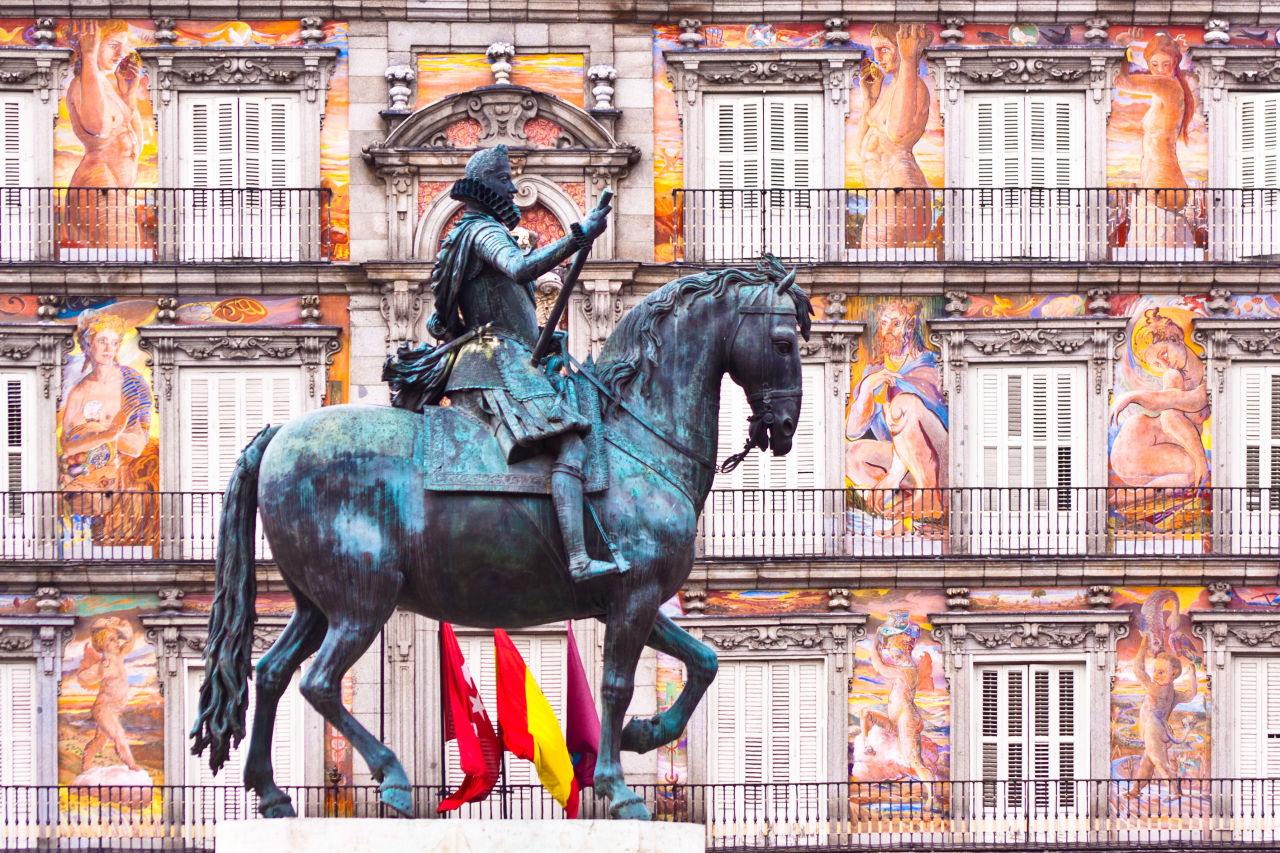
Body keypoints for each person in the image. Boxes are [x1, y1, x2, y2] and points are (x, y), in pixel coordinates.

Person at [385, 145, 618, 582]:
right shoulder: (482, 232)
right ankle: (579, 559)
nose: (513, 188)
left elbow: (452, 315)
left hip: (498, 357)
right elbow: (521, 267)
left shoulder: (464, 235)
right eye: (506, 180)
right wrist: (578, 235)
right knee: (570, 443)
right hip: (497, 362)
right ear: (490, 187)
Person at [845, 301, 948, 520]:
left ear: (910, 327)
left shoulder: (930, 364)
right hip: (904, 464)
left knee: (903, 404)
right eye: (883, 324)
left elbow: (919, 428)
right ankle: (897, 511)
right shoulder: (874, 370)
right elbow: (853, 430)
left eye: (895, 324)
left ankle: (930, 497)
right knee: (850, 455)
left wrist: (893, 474)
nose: (888, 331)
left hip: (941, 462)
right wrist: (867, 389)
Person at [64, 20, 146, 250]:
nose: (121, 53)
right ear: (93, 43)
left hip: (113, 189)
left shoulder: (107, 85)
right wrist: (89, 57)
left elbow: (137, 145)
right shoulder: (83, 83)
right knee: (123, 258)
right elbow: (98, 128)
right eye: (113, 45)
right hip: (98, 185)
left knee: (127, 257)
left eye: (123, 45)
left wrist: (128, 94)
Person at [852, 23, 934, 250]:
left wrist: (908, 61)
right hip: (886, 191)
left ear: (902, 47)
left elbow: (898, 133)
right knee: (871, 263)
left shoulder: (914, 86)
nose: (877, 58)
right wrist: (869, 99)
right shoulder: (891, 90)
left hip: (901, 189)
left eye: (884, 49)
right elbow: (864, 149)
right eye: (875, 50)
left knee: (878, 266)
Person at [1114, 30, 1197, 249]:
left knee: (1153, 260)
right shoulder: (1166, 89)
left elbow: (1122, 81)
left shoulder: (1168, 86)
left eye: (1166, 64)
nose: (1160, 70)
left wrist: (1122, 48)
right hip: (1162, 181)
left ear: (1175, 64)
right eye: (1155, 64)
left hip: (1163, 181)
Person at [1110, 309, 1208, 495]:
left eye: (1163, 355)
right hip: (1137, 443)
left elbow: (1193, 400)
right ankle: (1126, 498)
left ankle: (1129, 496)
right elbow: (1170, 420)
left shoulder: (1209, 373)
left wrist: (1133, 396)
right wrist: (1200, 458)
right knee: (1191, 471)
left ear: (1175, 337)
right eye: (1157, 364)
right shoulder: (1173, 376)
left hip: (1155, 447)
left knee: (1191, 472)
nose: (1165, 365)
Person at [59, 314, 152, 493]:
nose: (109, 348)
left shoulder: (131, 382)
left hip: (118, 487)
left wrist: (95, 430)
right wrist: (109, 432)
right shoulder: (77, 391)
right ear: (87, 344)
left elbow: (137, 447)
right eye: (102, 341)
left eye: (114, 342)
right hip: (81, 485)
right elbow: (68, 447)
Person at [861, 614, 938, 797]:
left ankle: (932, 797)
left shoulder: (906, 671)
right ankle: (868, 746)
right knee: (866, 714)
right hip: (895, 719)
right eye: (891, 653)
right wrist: (880, 644)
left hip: (905, 719)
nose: (891, 656)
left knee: (914, 760)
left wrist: (876, 644)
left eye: (894, 653)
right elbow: (882, 663)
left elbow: (879, 666)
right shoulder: (902, 669)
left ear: (903, 651)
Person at [1125, 634, 1196, 799]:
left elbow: (1138, 670)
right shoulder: (1172, 693)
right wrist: (1192, 676)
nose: (1156, 674)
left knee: (1159, 761)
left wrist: (1143, 647)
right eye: (1155, 670)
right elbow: (1190, 695)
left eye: (1161, 672)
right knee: (1147, 763)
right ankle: (1136, 790)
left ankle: (1175, 792)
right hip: (1161, 729)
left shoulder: (1154, 688)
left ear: (1172, 675)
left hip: (1152, 728)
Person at [76, 616, 142, 772]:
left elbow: (130, 639)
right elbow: (83, 677)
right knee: (118, 734)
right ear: (102, 644)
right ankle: (131, 765)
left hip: (115, 709)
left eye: (116, 639)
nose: (117, 641)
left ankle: (86, 764)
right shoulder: (103, 664)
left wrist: (119, 627)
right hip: (104, 708)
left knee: (99, 741)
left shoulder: (119, 656)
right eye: (112, 640)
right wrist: (98, 673)